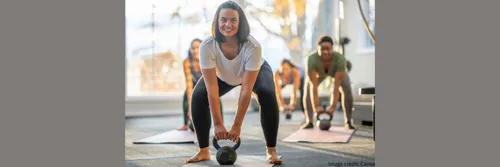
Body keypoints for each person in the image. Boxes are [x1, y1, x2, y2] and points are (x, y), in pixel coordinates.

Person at [185, 1, 282, 164]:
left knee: (266, 93)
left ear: (240, 22)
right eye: (223, 19)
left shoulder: (253, 46)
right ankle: (203, 151)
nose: (227, 24)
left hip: (255, 73)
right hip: (223, 75)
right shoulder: (207, 46)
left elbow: (246, 90)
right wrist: (218, 124)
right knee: (198, 96)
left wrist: (237, 125)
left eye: (233, 20)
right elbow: (212, 90)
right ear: (217, 20)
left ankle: (271, 150)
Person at [301, 35, 355, 130]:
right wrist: (316, 106)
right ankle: (309, 121)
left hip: (336, 72)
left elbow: (336, 86)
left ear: (332, 49)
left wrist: (333, 107)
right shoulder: (311, 59)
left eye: (328, 49)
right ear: (318, 49)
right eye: (322, 49)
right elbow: (314, 86)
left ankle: (348, 121)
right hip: (319, 74)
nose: (325, 52)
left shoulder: (340, 58)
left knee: (347, 88)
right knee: (308, 87)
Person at [178, 38, 224, 131]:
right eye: (193, 48)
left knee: (217, 97)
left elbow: (213, 80)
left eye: (198, 48)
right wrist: (191, 107)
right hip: (194, 85)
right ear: (190, 50)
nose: (195, 51)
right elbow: (189, 84)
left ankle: (220, 124)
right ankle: (186, 124)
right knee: (186, 97)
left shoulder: (209, 59)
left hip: (208, 84)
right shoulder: (187, 62)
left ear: (202, 48)